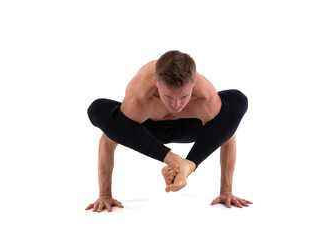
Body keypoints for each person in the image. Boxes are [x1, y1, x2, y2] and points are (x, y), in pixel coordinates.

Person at [85, 50, 253, 213]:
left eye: (184, 97)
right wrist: (104, 194)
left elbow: (226, 135)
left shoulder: (205, 97)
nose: (176, 105)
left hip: (189, 128)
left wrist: (226, 191)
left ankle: (188, 165)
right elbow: (109, 138)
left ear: (193, 85)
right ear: (157, 83)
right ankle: (177, 160)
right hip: (147, 132)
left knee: (237, 100)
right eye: (169, 97)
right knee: (98, 109)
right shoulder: (139, 99)